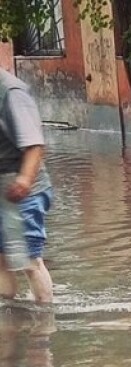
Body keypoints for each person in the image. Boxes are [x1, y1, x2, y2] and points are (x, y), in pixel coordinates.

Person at [0, 68, 53, 303]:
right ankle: (10, 318)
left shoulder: (11, 92)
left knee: (29, 261)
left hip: (20, 189)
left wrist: (24, 181)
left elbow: (34, 144)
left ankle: (44, 324)